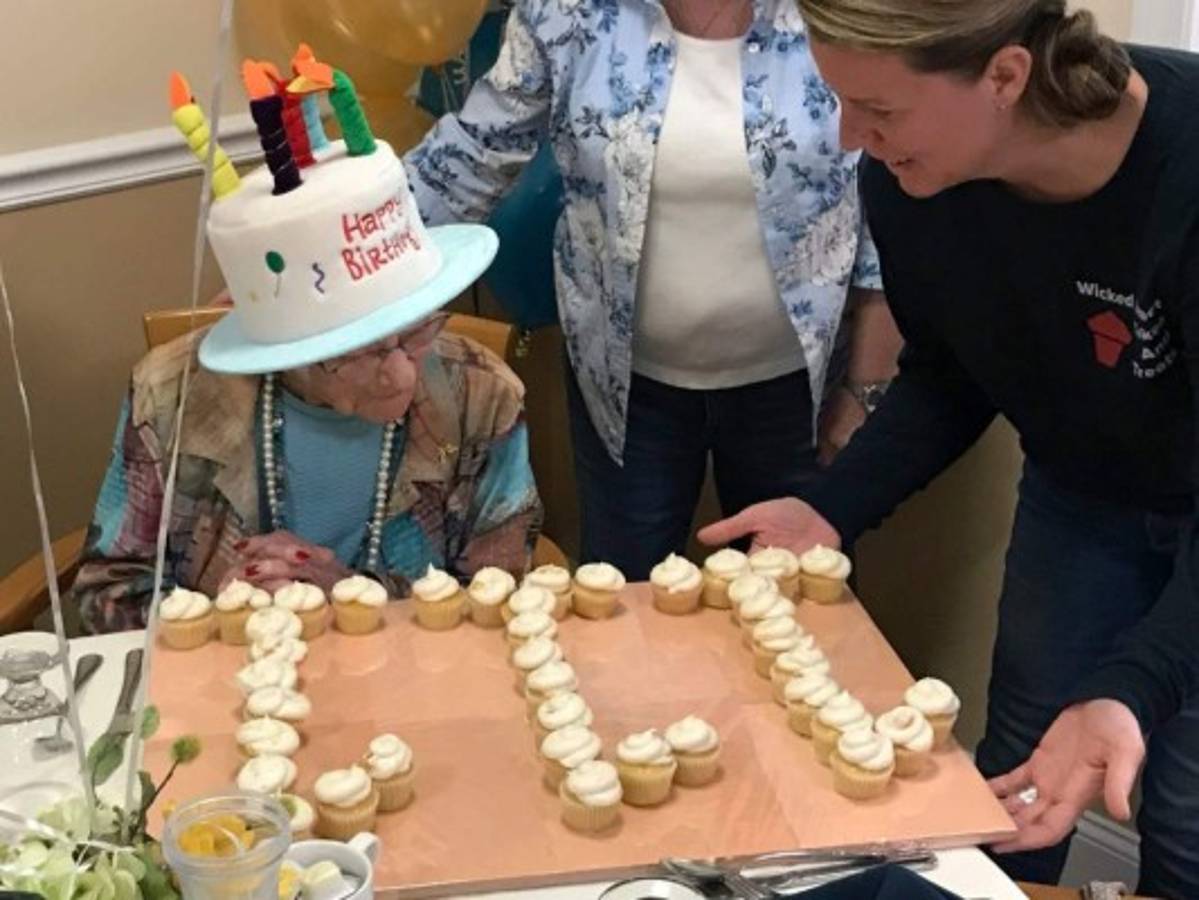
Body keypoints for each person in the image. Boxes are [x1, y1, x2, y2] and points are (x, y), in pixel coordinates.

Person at [700, 1, 1199, 895]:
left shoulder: (1187, 171)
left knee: (1185, 814)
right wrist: (833, 504)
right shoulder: (912, 181)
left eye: (879, 110)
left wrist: (1132, 686)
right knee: (1016, 774)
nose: (853, 137)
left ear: (1005, 77)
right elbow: (951, 373)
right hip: (1080, 500)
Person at [404, 0, 902, 579]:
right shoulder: (567, 13)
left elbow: (886, 208)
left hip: (798, 397)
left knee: (800, 610)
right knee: (623, 607)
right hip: (628, 396)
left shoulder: (838, 13)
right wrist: (356, 250)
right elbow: (470, 156)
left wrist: (865, 394)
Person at [72, 309, 542, 633]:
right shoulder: (172, 391)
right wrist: (219, 608)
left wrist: (357, 597)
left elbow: (503, 599)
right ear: (288, 348)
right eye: (365, 349)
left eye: (415, 332)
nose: (403, 375)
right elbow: (108, 595)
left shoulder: (481, 394)